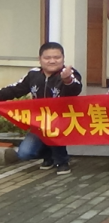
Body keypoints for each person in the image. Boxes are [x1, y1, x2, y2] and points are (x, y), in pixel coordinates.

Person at [0, 42, 81, 175]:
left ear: (63, 58)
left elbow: (75, 89)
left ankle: (62, 162)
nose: (52, 61)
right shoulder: (33, 74)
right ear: (40, 59)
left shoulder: (69, 73)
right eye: (47, 58)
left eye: (57, 57)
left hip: (61, 120)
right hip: (39, 121)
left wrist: (67, 80)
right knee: (24, 153)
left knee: (53, 133)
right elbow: (15, 89)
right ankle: (48, 156)